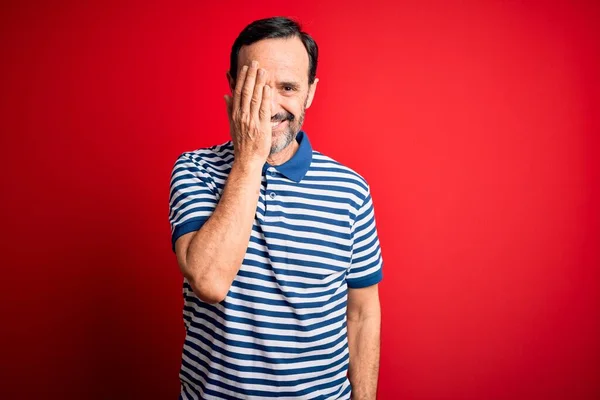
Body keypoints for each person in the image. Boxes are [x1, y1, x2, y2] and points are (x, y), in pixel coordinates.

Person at [168, 16, 383, 400]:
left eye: (287, 87)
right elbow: (210, 281)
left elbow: (362, 315)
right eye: (255, 87)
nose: (270, 105)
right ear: (233, 86)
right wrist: (250, 159)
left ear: (310, 93)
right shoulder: (194, 170)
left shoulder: (351, 190)